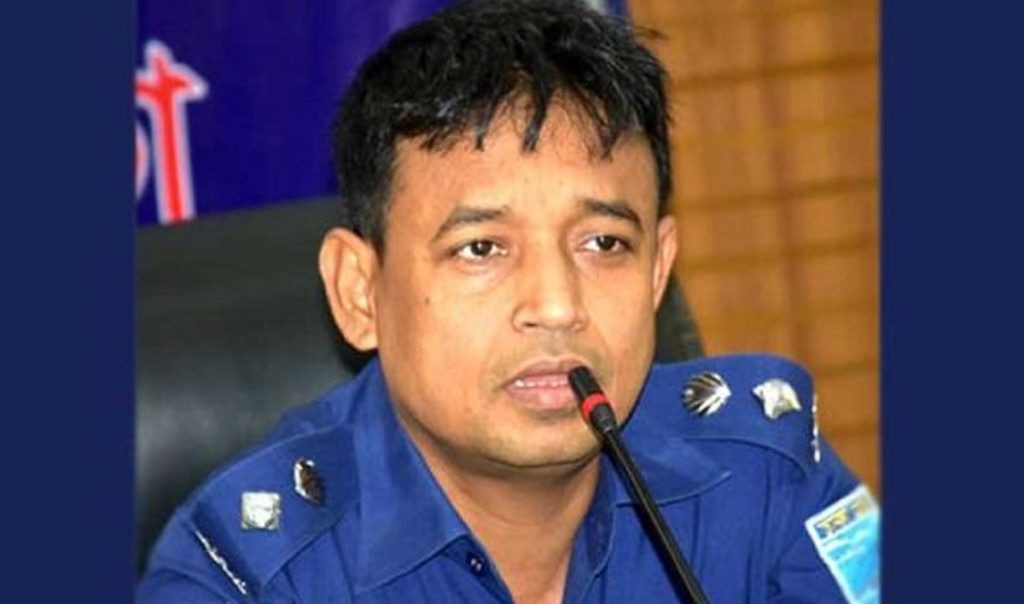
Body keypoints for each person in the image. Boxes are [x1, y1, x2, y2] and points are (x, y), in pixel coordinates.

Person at [138, 0, 879, 602]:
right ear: (359, 292)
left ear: (659, 272)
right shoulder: (247, 577)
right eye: (482, 248)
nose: (556, 305)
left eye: (604, 243)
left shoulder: (768, 476)